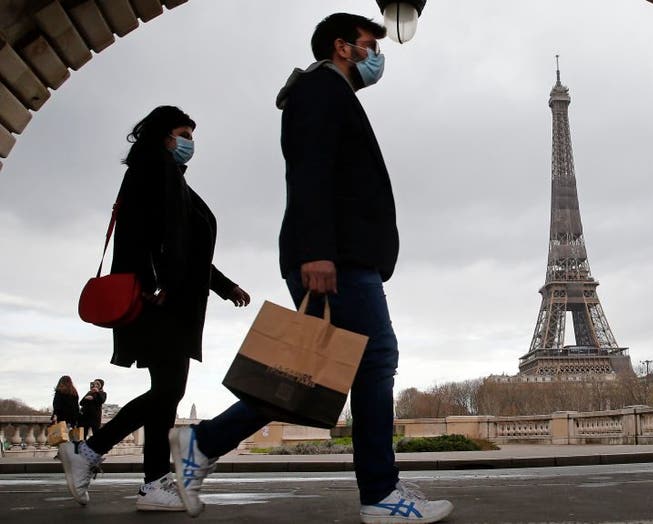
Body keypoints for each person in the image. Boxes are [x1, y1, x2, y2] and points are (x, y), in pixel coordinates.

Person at [167, 13, 453, 523]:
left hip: (340, 254)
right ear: (343, 47)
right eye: (369, 45)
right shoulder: (321, 90)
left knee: (309, 372)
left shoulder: (326, 93)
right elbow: (311, 171)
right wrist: (317, 250)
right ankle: (380, 493)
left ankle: (202, 445)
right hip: (335, 258)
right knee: (373, 359)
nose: (375, 56)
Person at [58, 106, 251, 512]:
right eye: (184, 133)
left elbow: (189, 250)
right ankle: (89, 452)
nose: (190, 143)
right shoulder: (153, 171)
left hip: (170, 299)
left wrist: (224, 285)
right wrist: (156, 283)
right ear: (163, 136)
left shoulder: (170, 177)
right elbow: (144, 238)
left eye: (192, 136)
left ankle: (151, 484)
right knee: (167, 391)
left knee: (168, 395)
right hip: (158, 301)